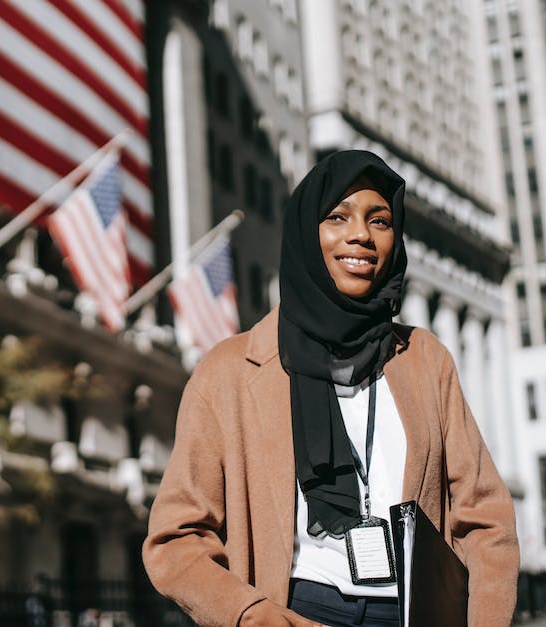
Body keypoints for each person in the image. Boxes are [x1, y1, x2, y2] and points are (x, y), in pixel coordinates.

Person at [142, 150, 518, 627]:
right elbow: (176, 538)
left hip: (413, 613)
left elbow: (485, 517)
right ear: (305, 233)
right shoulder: (230, 372)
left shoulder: (424, 360)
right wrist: (251, 617)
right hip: (294, 610)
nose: (361, 234)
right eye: (337, 217)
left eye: (379, 220)